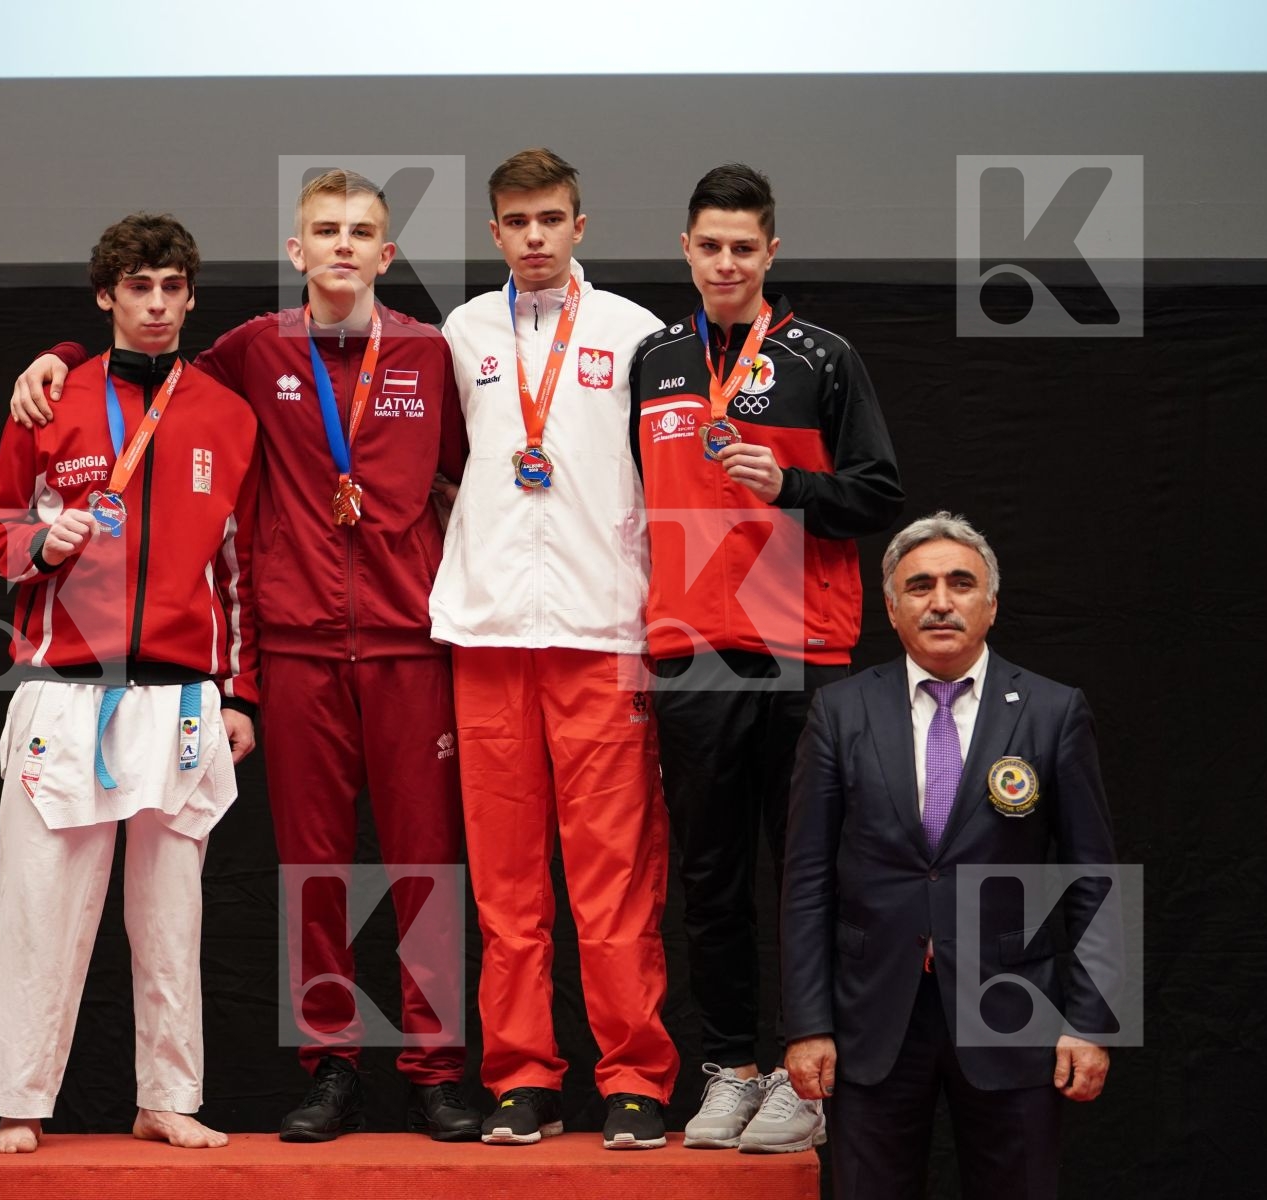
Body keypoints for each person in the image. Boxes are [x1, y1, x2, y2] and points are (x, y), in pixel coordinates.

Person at [6, 170, 477, 1142]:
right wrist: (58, 355)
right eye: (324, 230)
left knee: (425, 863)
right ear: (295, 251)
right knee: (314, 869)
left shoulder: (431, 354)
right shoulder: (255, 350)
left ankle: (434, 1071)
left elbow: (480, 480)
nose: (342, 245)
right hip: (299, 647)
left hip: (410, 645)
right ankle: (333, 1067)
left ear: (387, 254)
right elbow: (147, 365)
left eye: (361, 232)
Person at [0, 212, 261, 1155]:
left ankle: (167, 1097)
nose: (157, 306)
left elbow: (241, 569)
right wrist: (39, 543)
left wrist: (242, 695)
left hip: (182, 699)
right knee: (40, 910)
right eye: (139, 287)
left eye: (173, 288)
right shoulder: (51, 399)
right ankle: (20, 1104)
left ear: (191, 295)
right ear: (106, 296)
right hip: (65, 689)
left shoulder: (227, 413)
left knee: (172, 917)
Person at [629, 163, 903, 1149]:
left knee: (808, 872)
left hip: (800, 648)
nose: (726, 263)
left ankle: (806, 1075)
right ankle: (731, 1070)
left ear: (771, 252)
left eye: (744, 247)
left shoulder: (823, 358)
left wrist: (792, 485)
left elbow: (880, 494)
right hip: (692, 653)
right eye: (710, 246)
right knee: (710, 879)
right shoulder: (656, 360)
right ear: (686, 248)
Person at [432, 148, 675, 1150]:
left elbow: (667, 473)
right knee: (506, 884)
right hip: (488, 627)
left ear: (581, 225)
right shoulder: (462, 332)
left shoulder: (634, 331)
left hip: (602, 627)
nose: (534, 237)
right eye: (517, 221)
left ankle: (636, 1079)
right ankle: (522, 1076)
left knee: (614, 876)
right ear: (493, 232)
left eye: (551, 219)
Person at [780, 512, 1116, 1193]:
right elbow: (807, 879)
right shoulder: (840, 713)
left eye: (961, 584)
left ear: (990, 604)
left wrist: (1093, 1021)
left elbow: (1095, 878)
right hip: (870, 1017)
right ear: (891, 608)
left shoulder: (1052, 711)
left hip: (1013, 1013)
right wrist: (807, 1024)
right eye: (920, 586)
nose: (940, 601)